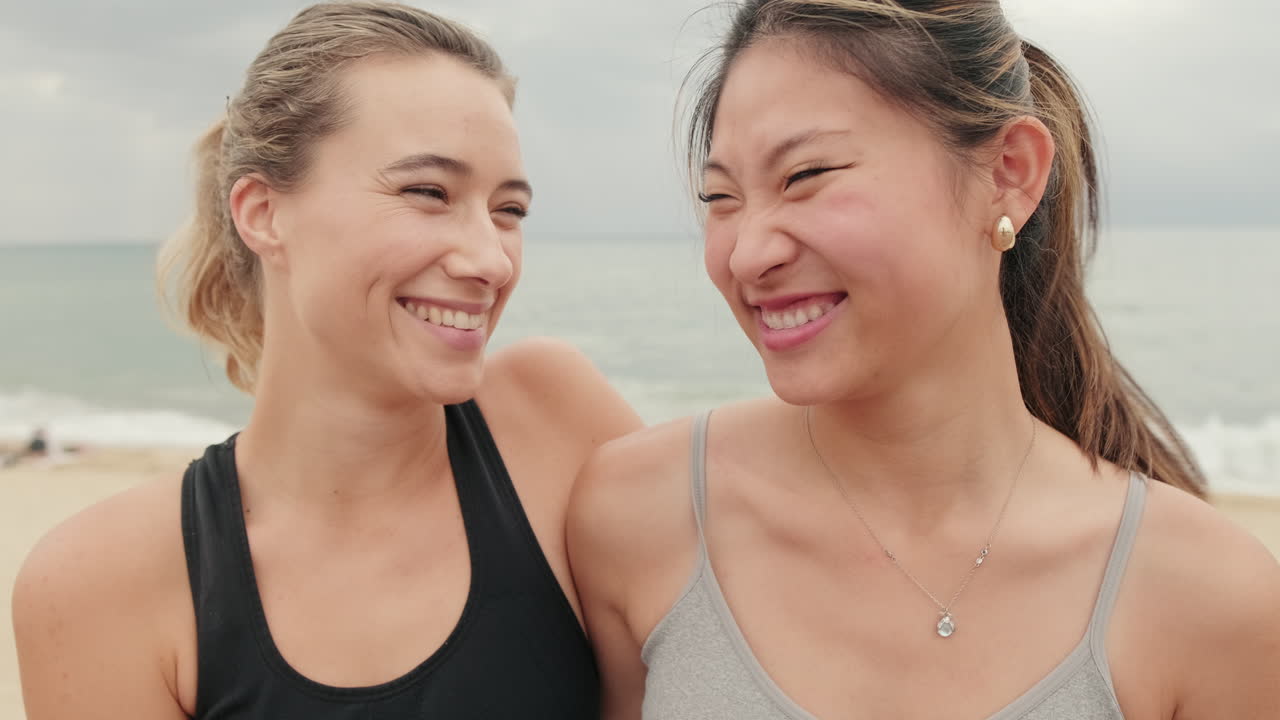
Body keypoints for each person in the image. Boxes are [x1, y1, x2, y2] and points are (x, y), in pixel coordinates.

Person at [568, 1, 1280, 718]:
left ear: (1009, 173)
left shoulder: (1210, 602)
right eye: (721, 198)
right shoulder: (640, 516)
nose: (747, 254)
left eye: (807, 174)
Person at [14, 3, 640, 718]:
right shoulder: (103, 585)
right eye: (427, 192)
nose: (491, 259)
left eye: (509, 210)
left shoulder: (553, 422)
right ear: (262, 212)